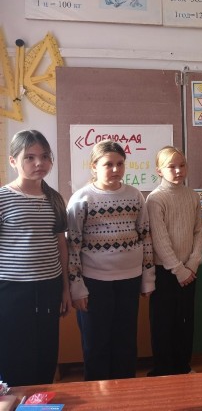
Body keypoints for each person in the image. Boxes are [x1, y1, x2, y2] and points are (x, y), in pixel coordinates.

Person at [67, 140, 155, 381]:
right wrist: (76, 287)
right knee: (96, 345)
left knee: (125, 343)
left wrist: (148, 278)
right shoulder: (81, 199)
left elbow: (145, 237)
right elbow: (73, 246)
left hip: (130, 280)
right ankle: (98, 396)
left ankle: (124, 394)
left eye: (120, 164)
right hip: (94, 282)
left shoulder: (135, 195)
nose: (116, 169)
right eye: (108, 164)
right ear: (94, 166)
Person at [0, 130, 71, 386]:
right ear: (13, 161)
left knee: (46, 352)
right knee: (14, 355)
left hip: (49, 286)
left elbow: (61, 245)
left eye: (44, 156)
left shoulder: (55, 198)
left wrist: (65, 288)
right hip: (11, 289)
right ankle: (18, 402)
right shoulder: (3, 198)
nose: (39, 163)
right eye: (29, 157)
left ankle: (42, 400)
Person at [146, 146, 202, 376]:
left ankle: (183, 366)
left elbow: (199, 231)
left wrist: (193, 263)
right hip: (166, 272)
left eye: (182, 165)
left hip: (190, 271)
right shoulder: (155, 199)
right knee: (163, 323)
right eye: (172, 166)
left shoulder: (192, 196)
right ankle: (164, 370)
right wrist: (179, 270)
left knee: (185, 320)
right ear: (159, 170)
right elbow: (160, 240)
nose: (178, 170)